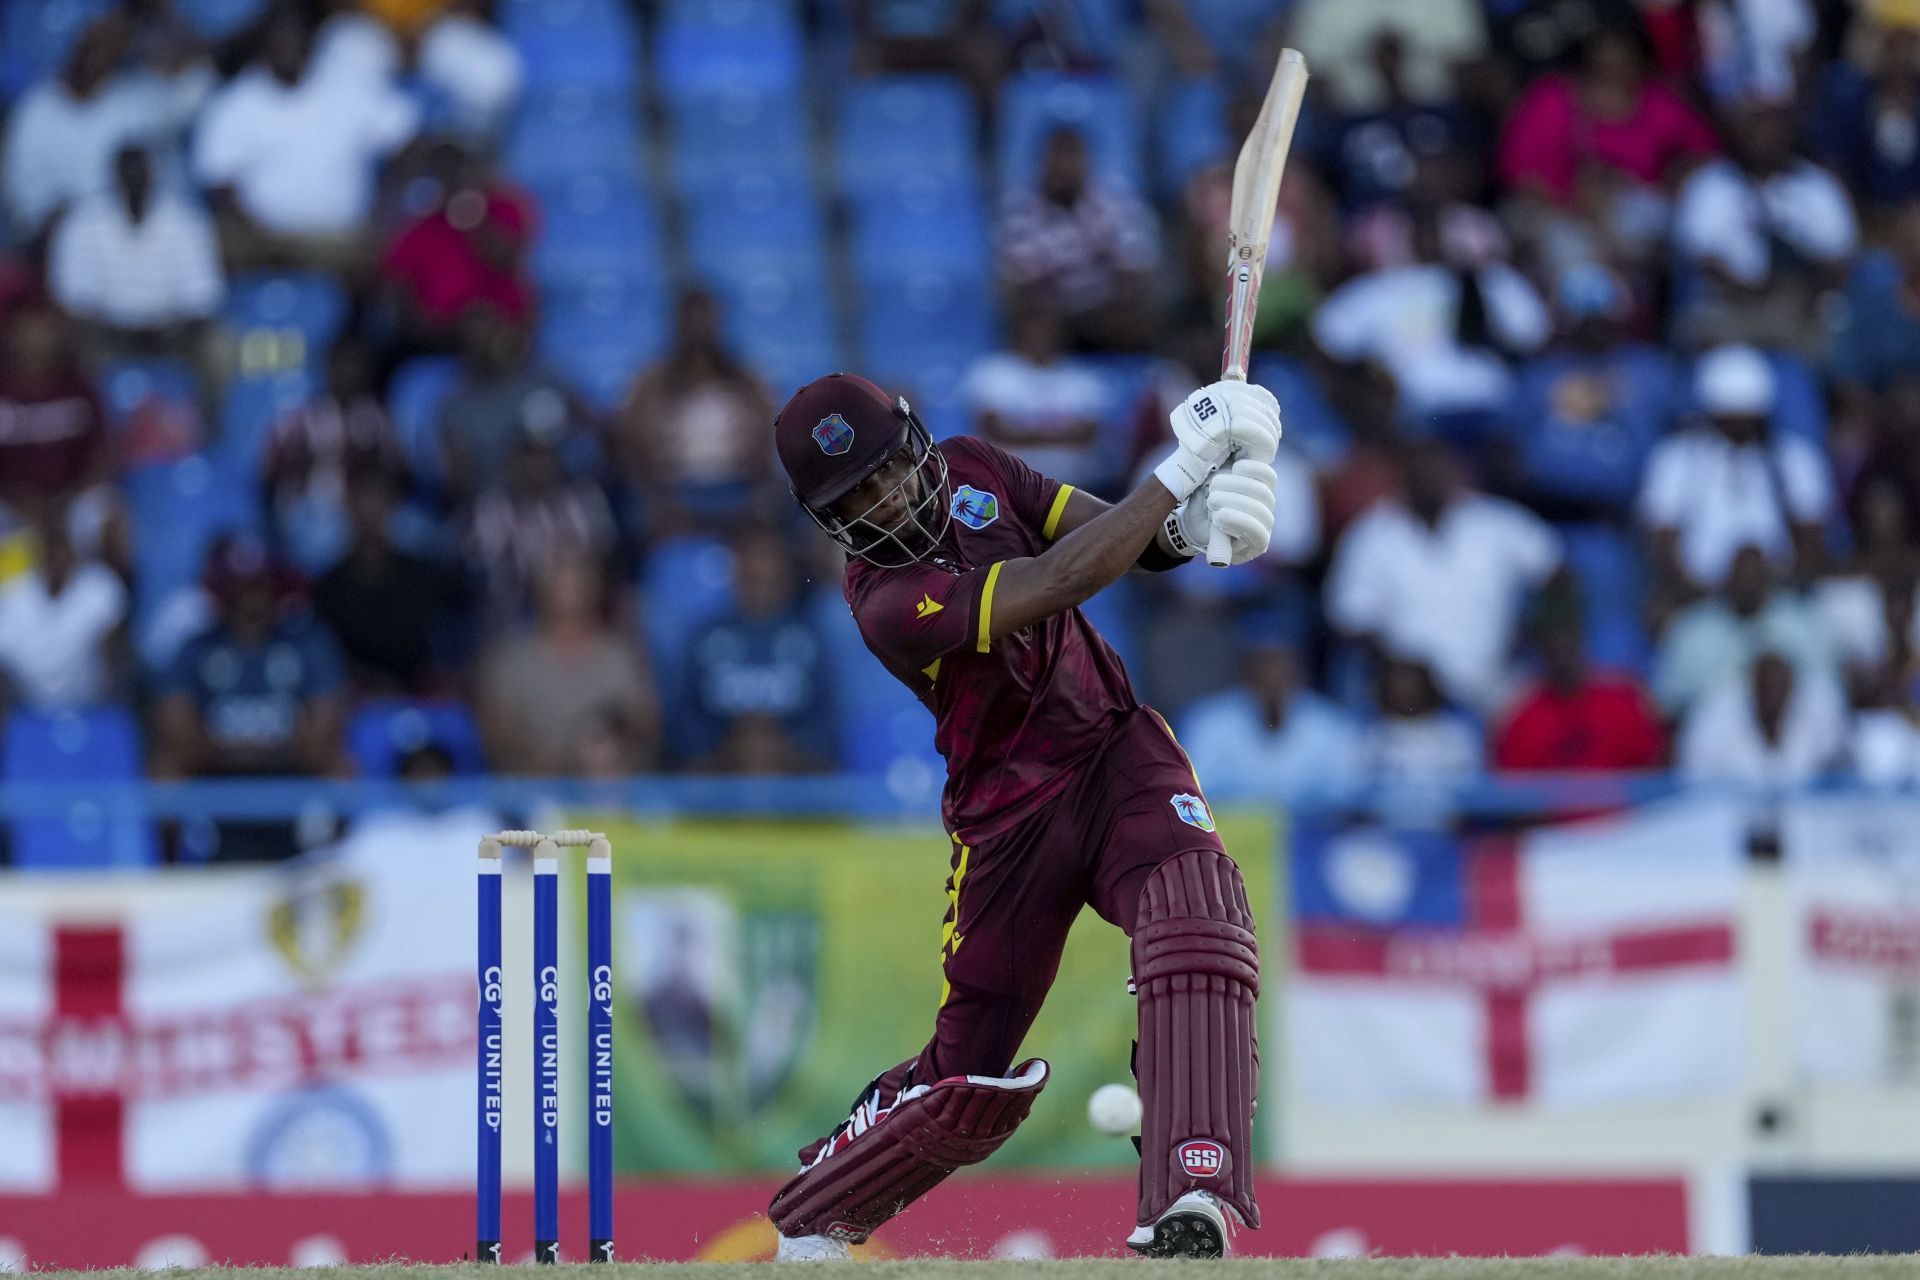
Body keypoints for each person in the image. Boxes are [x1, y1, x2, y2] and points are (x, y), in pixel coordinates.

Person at [763, 370, 1282, 1259]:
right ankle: (820, 1209)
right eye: (859, 498)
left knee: (1198, 915)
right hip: (1008, 820)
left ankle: (1192, 1189)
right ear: (833, 521)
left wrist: (1188, 524)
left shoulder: (977, 466)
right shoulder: (883, 602)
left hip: (1115, 756)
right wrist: (1182, 465)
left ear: (917, 440)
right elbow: (1059, 579)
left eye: (889, 470)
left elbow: (1122, 540)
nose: (887, 500)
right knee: (969, 1078)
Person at [477, 550, 659, 775]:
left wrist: (610, 747)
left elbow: (645, 724)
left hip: (608, 791)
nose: (569, 591)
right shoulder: (513, 658)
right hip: (533, 787)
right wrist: (542, 761)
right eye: (557, 581)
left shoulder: (619, 655)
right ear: (540, 590)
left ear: (596, 588)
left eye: (579, 581)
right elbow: (495, 729)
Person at [997, 127, 1161, 351]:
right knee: (1036, 322)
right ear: (1043, 163)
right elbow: (1023, 283)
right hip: (1053, 313)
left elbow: (1133, 267)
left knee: (1133, 314)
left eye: (1072, 157)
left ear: (1086, 162)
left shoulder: (1113, 205)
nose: (1065, 167)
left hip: (1103, 310)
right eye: (1057, 157)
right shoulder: (1021, 211)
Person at [48, 144, 224, 351]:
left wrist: (170, 331)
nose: (134, 180)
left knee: (217, 345)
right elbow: (73, 297)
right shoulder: (82, 222)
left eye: (140, 173)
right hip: (106, 334)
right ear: (115, 176)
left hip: (173, 334)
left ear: (152, 174)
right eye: (128, 174)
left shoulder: (186, 220)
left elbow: (202, 297)